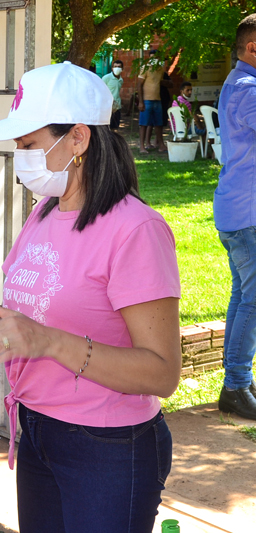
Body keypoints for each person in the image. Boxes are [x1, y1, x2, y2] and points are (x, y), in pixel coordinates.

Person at [0, 62, 182, 532]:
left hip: (107, 446)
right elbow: (20, 328)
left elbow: (161, 373)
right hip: (37, 429)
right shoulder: (43, 214)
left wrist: (49, 342)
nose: (20, 158)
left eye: (28, 145)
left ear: (78, 139)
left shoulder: (136, 230)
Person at [214, 13, 256, 420]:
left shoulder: (239, 83)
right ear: (252, 48)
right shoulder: (248, 87)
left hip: (238, 210)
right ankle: (236, 385)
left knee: (244, 295)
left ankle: (238, 378)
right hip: (246, 214)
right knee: (253, 298)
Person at [138, 50, 167, 154]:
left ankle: (161, 145)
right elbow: (139, 85)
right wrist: (141, 102)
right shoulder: (145, 68)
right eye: (152, 57)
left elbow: (160, 82)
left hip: (157, 99)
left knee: (159, 124)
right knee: (144, 124)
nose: (154, 60)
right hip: (146, 100)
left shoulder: (160, 69)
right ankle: (142, 146)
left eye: (156, 57)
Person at [101, 59, 124, 130]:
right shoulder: (106, 78)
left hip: (117, 106)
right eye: (115, 66)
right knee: (107, 127)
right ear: (112, 68)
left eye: (119, 67)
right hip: (107, 106)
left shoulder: (121, 80)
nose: (117, 68)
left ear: (122, 69)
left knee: (115, 127)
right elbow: (101, 91)